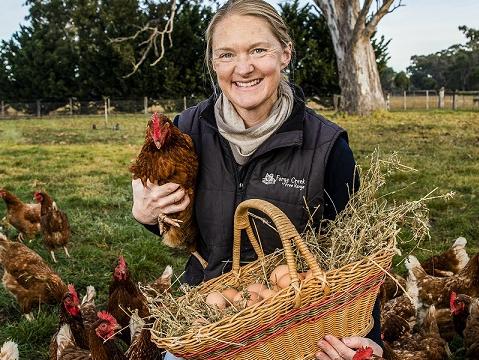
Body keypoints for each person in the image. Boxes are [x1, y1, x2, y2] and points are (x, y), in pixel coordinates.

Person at [131, 1, 383, 359]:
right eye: (226, 54)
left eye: (258, 50)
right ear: (213, 63)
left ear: (285, 54)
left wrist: (367, 337)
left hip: (295, 327)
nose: (243, 68)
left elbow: (360, 255)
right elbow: (178, 223)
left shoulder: (327, 147)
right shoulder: (187, 131)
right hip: (206, 321)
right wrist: (147, 215)